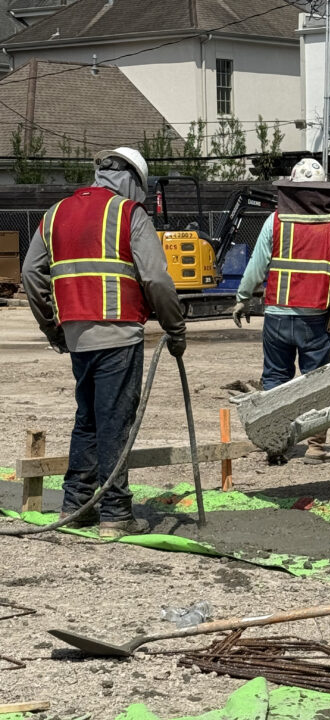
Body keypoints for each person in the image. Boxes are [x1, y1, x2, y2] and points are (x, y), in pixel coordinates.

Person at [22, 146, 186, 539]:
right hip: (119, 333)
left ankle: (77, 505)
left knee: (89, 419)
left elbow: (31, 274)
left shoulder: (56, 213)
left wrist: (53, 329)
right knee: (115, 422)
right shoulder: (130, 214)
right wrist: (175, 328)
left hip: (77, 335)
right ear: (132, 181)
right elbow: (158, 280)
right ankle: (114, 512)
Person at [233, 158, 330, 465]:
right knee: (316, 381)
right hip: (316, 320)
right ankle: (316, 446)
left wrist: (243, 297)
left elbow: (256, 266)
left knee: (276, 378)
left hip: (277, 316)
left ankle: (276, 443)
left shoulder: (275, 222)